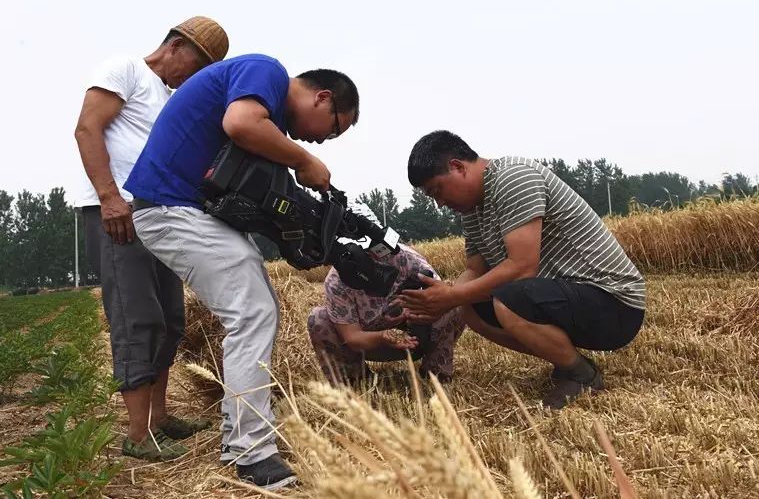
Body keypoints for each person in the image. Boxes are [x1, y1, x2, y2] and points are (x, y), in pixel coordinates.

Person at [123, 54, 359, 489]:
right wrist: (303, 161)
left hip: (186, 209)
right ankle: (252, 453)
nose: (326, 140)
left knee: (259, 308)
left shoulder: (272, 118)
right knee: (251, 313)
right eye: (334, 127)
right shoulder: (265, 71)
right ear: (322, 97)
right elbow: (241, 123)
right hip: (171, 207)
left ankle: (240, 442)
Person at [74, 16, 228, 461]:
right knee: (135, 316)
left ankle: (159, 419)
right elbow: (87, 129)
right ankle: (138, 436)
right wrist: (109, 198)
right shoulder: (125, 69)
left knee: (169, 320)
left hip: (157, 217)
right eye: (195, 65)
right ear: (176, 45)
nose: (191, 77)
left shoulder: (171, 99)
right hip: (117, 213)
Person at [401, 130, 646, 410]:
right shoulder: (473, 209)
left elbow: (522, 268)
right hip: (569, 297)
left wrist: (451, 297)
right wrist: (446, 297)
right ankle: (567, 362)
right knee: (470, 307)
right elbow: (475, 268)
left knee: (507, 301)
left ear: (457, 166)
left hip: (614, 303)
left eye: (437, 191)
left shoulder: (513, 178)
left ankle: (582, 376)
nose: (440, 204)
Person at [307, 204, 464, 384]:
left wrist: (413, 311)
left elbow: (439, 296)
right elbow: (353, 338)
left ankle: (435, 373)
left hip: (416, 337)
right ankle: (355, 380)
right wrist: (384, 336)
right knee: (318, 318)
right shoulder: (337, 281)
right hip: (370, 344)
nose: (373, 257)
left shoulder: (405, 258)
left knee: (455, 300)